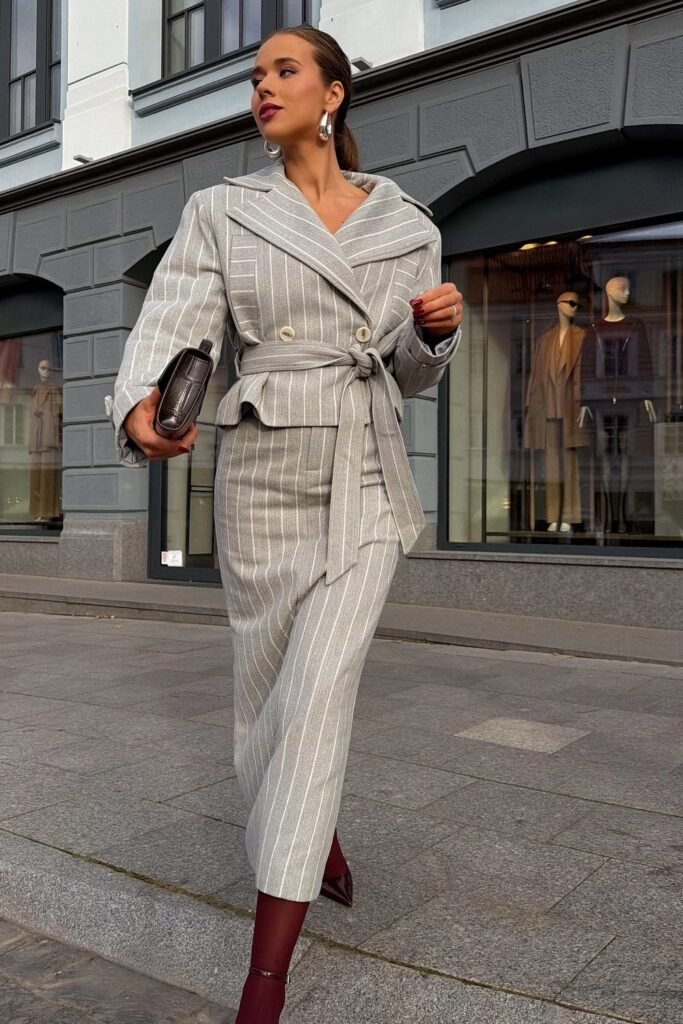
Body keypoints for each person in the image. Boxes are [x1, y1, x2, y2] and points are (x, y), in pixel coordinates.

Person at [106, 25, 463, 1023]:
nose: (261, 86)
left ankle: (264, 980)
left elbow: (405, 373)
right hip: (261, 469)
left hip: (361, 472)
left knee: (315, 690)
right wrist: (141, 405)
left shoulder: (407, 225)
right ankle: (323, 837)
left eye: (282, 69)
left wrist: (435, 337)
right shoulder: (221, 210)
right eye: (254, 75)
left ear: (334, 93)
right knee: (265, 694)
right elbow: (177, 323)